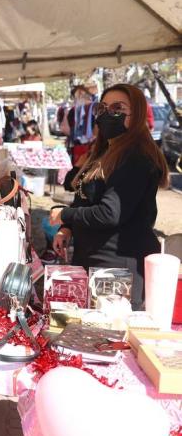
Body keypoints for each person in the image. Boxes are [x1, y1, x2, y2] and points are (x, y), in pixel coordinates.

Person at [51, 83, 170, 310]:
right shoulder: (107, 151)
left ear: (135, 115)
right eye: (103, 108)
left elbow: (110, 213)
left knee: (108, 336)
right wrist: (68, 227)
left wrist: (64, 214)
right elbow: (85, 196)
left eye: (117, 108)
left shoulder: (136, 156)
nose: (108, 114)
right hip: (94, 259)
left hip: (117, 267)